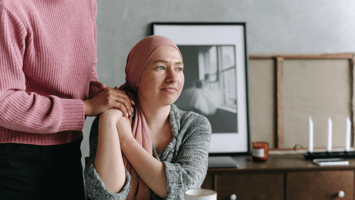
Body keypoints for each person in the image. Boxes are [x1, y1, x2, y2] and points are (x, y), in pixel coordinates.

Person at [0, 0, 133, 199]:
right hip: (15, 157)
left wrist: (103, 95)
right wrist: (85, 107)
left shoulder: (86, 3)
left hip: (69, 148)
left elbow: (85, 74)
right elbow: (5, 104)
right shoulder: (10, 6)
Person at [84, 35, 212, 199]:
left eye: (179, 68)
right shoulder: (111, 119)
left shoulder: (195, 125)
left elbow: (184, 190)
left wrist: (126, 140)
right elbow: (103, 196)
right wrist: (108, 119)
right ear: (137, 74)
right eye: (161, 67)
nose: (173, 78)